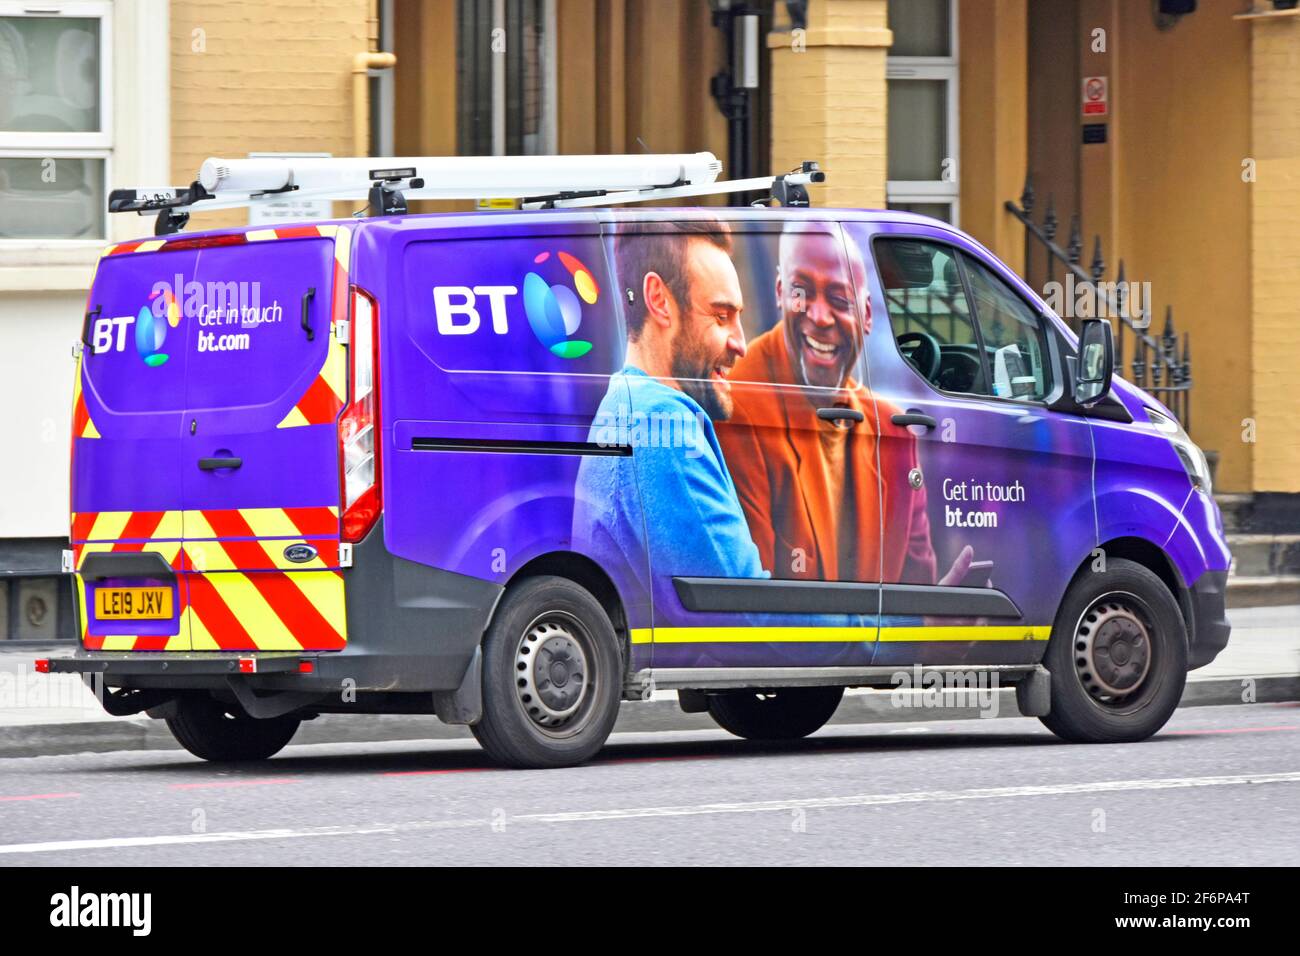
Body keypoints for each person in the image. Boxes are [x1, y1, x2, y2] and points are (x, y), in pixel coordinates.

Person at [717, 223, 976, 589]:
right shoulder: (739, 404)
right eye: (800, 292)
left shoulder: (893, 430)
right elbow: (756, 607)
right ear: (779, 291)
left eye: (840, 300)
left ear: (867, 316)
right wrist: (922, 630)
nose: (820, 317)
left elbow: (916, 590)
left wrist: (934, 631)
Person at [573, 219, 767, 608]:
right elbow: (746, 613)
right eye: (721, 316)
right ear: (659, 301)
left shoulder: (625, 406)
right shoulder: (661, 423)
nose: (742, 343)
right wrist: (877, 631)